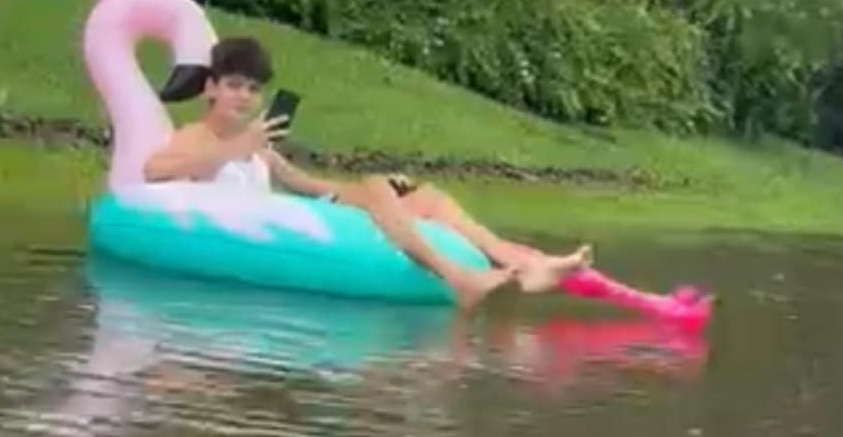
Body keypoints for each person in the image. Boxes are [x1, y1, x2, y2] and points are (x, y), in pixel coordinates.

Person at [142, 36, 591, 307]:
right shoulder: (197, 137)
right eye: (234, 86)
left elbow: (301, 184)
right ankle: (457, 277)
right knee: (378, 190)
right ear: (211, 90)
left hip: (285, 211)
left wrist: (368, 193)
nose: (243, 97)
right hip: (246, 233)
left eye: (253, 89)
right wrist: (235, 148)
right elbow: (154, 170)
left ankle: (527, 265)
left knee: (419, 194)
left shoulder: (258, 145)